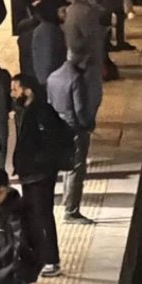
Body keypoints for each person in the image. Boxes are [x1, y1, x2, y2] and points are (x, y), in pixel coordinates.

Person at [11, 75, 68, 278]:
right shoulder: (27, 111)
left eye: (16, 89)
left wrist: (35, 165)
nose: (13, 93)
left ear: (28, 90)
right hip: (31, 174)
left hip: (39, 175)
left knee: (42, 215)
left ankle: (52, 260)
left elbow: (49, 144)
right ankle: (38, 255)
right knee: (33, 215)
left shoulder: (41, 112)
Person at [47, 49, 99, 224]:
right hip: (74, 128)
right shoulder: (76, 79)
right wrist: (88, 125)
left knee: (59, 165)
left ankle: (60, 200)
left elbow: (50, 102)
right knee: (76, 168)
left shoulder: (53, 76)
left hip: (57, 127)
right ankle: (72, 210)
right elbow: (80, 109)